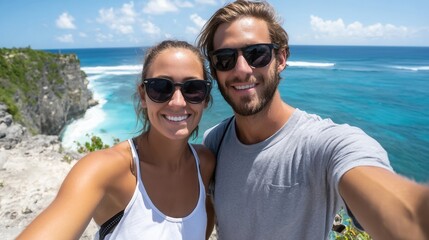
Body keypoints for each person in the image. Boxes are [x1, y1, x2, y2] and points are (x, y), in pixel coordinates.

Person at [197, 1, 429, 239]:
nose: (242, 69)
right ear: (215, 70)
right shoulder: (216, 140)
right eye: (225, 58)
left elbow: (405, 214)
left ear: (281, 58)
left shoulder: (324, 144)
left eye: (257, 53)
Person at [17, 40, 216, 240]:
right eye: (161, 87)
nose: (177, 102)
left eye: (193, 88)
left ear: (206, 98)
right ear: (143, 96)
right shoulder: (103, 169)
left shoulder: (205, 164)